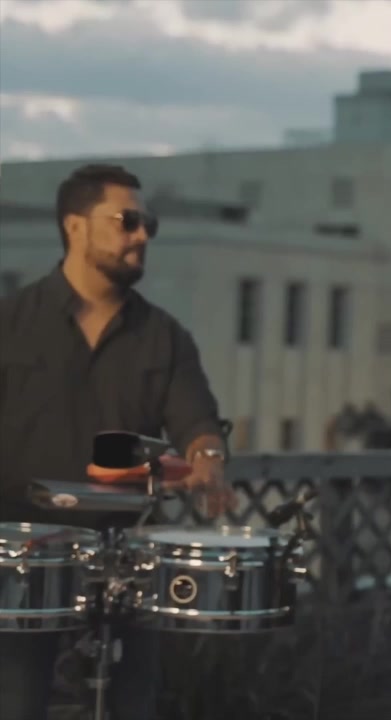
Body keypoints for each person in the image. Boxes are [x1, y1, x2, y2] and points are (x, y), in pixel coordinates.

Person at [0, 164, 234, 720]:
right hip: (21, 554)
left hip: (125, 555)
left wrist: (208, 461)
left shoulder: (165, 337)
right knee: (15, 703)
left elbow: (197, 422)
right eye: (127, 221)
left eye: (148, 223)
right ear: (75, 226)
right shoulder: (9, 323)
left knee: (131, 705)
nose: (143, 234)